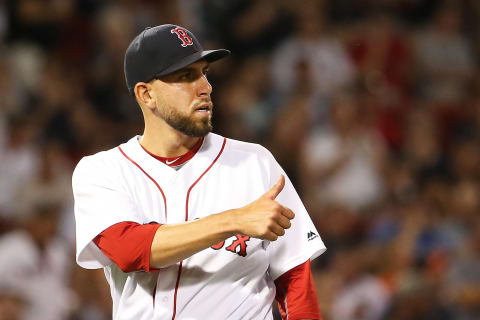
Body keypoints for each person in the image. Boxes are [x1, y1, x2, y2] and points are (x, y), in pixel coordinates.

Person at [72, 24, 326, 320]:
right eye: (185, 76)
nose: (205, 86)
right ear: (146, 95)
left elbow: (296, 282)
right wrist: (234, 220)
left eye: (204, 72)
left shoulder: (255, 163)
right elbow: (129, 250)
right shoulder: (103, 171)